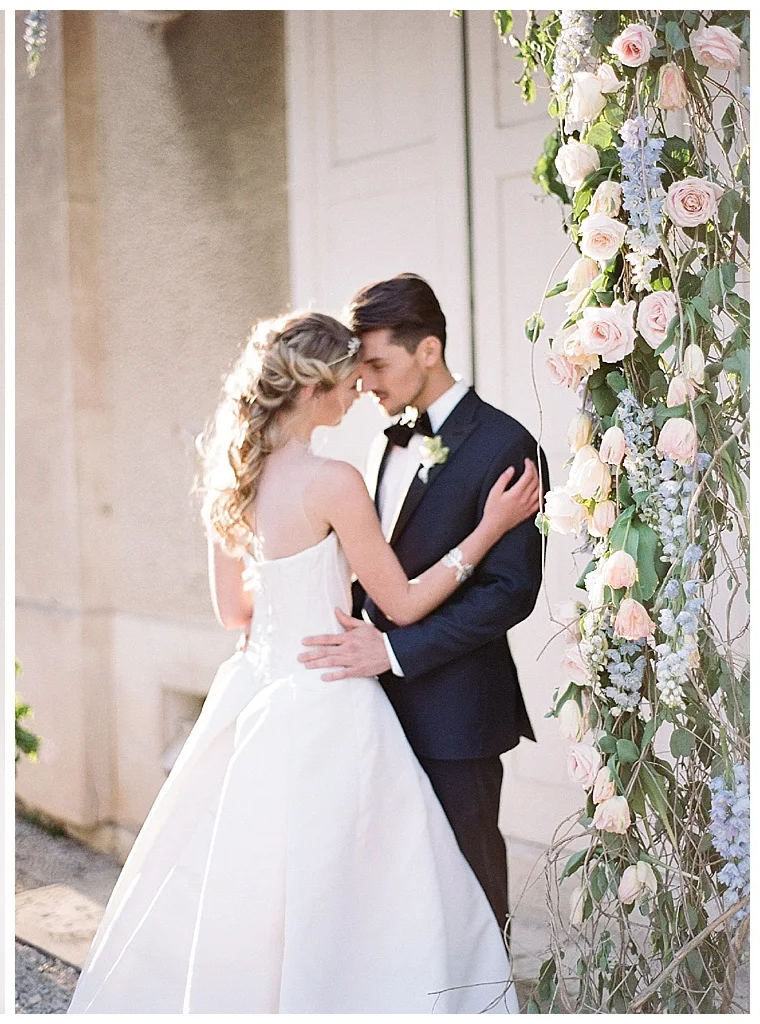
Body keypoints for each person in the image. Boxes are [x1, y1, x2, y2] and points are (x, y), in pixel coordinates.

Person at [67, 312, 539, 1013]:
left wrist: (299, 594)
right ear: (314, 389)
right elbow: (403, 605)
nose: (357, 397)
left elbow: (236, 614)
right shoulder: (334, 480)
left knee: (245, 879)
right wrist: (487, 532)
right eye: (349, 383)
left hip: (257, 686)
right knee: (356, 885)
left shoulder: (235, 477)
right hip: (327, 697)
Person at [298, 274, 544, 933]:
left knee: (471, 891)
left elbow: (509, 592)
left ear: (427, 350)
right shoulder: (389, 440)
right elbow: (387, 567)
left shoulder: (505, 444)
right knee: (399, 892)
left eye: (377, 363)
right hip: (374, 705)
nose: (367, 383)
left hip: (458, 710)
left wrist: (395, 649)